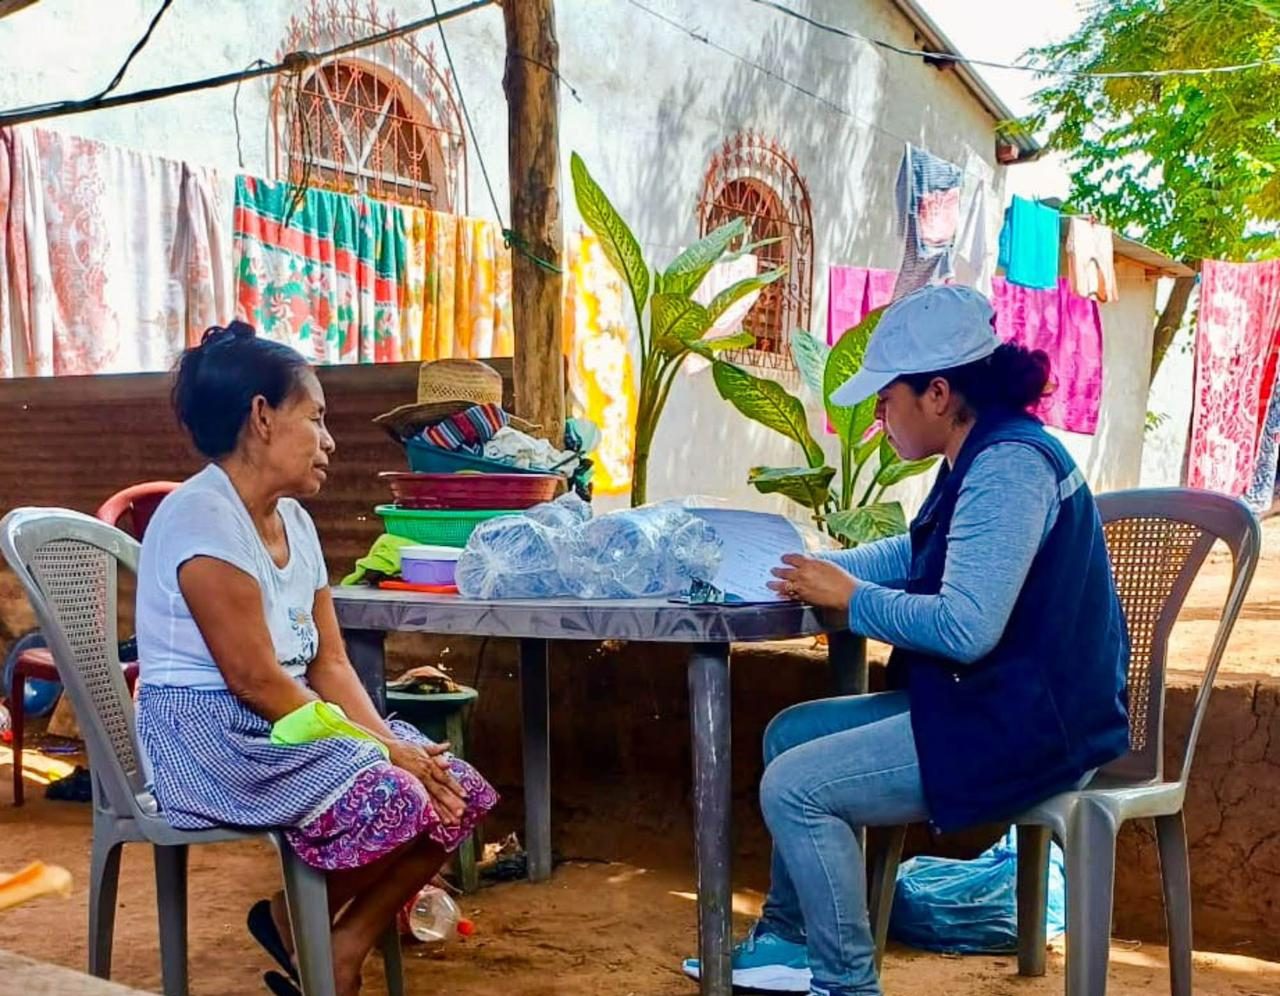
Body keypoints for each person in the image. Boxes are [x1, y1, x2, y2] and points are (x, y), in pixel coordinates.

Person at [683, 285, 1130, 996]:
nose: (880, 417)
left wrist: (852, 601)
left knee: (797, 789)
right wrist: (802, 572)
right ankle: (792, 944)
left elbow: (965, 626)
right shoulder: (975, 452)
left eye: (888, 399)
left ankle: (846, 982)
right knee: (789, 737)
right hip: (993, 704)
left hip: (1034, 725)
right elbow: (914, 556)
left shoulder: (1010, 467)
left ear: (940, 393)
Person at [135, 322, 497, 996]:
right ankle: (306, 931)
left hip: (286, 721)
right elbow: (255, 681)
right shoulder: (201, 520)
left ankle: (332, 947)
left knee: (454, 791)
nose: (330, 441)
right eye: (318, 418)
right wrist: (384, 755)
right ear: (263, 418)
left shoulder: (295, 522)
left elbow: (329, 663)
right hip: (212, 737)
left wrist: (389, 740)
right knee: (397, 789)